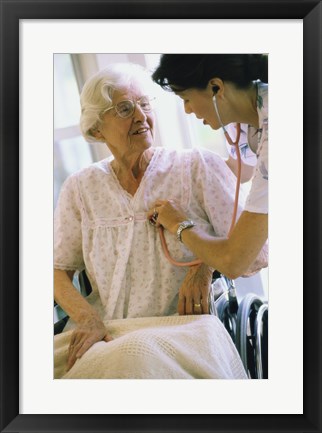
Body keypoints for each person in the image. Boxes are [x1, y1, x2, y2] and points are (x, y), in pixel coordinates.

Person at [54, 62, 267, 379]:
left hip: (183, 330)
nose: (140, 116)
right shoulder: (80, 188)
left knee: (131, 359)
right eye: (125, 109)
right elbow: (56, 269)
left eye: (143, 104)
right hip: (104, 330)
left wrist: (204, 265)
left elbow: (253, 255)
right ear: (97, 129)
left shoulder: (196, 167)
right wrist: (86, 318)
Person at [149, 54, 268, 280]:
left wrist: (179, 224)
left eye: (185, 98)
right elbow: (241, 170)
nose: (186, 110)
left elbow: (233, 262)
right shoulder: (244, 120)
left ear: (216, 88)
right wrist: (184, 171)